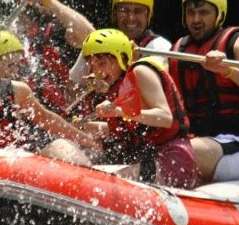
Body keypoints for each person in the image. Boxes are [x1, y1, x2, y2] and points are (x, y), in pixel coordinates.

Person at [0, 32, 100, 165]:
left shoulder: (15, 90)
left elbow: (48, 120)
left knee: (61, 148)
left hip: (27, 156)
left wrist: (85, 140)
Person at [168, 0, 239, 184]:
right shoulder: (177, 48)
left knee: (187, 151)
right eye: (190, 13)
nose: (196, 19)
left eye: (204, 13)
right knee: (169, 146)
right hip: (198, 139)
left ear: (219, 15)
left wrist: (228, 70)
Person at [76, 29, 197, 188]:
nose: (97, 71)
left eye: (102, 62)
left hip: (174, 160)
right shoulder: (118, 86)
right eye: (92, 65)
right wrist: (86, 126)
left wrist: (119, 111)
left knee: (102, 184)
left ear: (122, 58)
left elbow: (165, 117)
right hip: (151, 159)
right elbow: (128, 127)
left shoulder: (141, 71)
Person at [9, 0, 95, 113]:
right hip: (27, 117)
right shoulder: (10, 33)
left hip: (68, 118)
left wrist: (49, 2)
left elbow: (91, 38)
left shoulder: (62, 26)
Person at [68, 0, 171, 94]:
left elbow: (158, 91)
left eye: (138, 11)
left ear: (148, 16)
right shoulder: (97, 41)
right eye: (124, 10)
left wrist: (136, 63)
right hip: (100, 110)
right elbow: (70, 91)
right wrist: (89, 86)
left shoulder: (159, 46)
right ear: (115, 14)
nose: (131, 18)